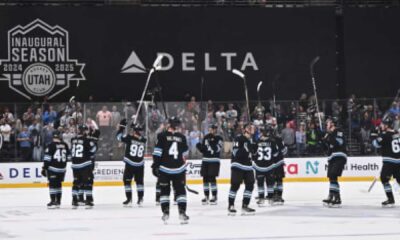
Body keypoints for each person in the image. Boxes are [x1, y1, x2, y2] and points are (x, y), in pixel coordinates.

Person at [151, 117, 189, 224]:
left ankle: (165, 212)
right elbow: (185, 151)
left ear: (169, 124)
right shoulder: (182, 137)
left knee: (165, 192)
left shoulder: (162, 136)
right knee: (181, 191)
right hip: (179, 169)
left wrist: (155, 165)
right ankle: (182, 212)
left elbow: (157, 152)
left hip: (165, 169)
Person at [116, 119, 146, 207]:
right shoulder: (143, 140)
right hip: (140, 164)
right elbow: (137, 137)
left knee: (127, 181)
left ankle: (129, 199)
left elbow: (119, 137)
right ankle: (140, 198)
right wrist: (133, 128)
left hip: (130, 164)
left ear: (134, 131)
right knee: (139, 182)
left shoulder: (129, 137)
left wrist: (122, 127)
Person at [228, 123, 256, 216]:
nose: (252, 129)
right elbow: (236, 152)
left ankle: (245, 205)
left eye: (252, 127)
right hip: (238, 165)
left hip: (248, 166)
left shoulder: (252, 140)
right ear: (245, 130)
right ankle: (231, 205)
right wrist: (245, 148)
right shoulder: (239, 138)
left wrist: (253, 146)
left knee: (250, 185)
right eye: (249, 127)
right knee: (235, 185)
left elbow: (254, 153)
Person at [372, 117, 400, 207]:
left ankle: (390, 199)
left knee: (384, 179)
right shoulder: (397, 134)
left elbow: (375, 144)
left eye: (383, 124)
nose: (381, 125)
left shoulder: (384, 135)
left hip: (389, 161)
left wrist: (376, 134)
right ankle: (390, 199)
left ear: (387, 126)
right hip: (398, 161)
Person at [41, 131, 71, 209]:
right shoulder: (65, 145)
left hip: (53, 169)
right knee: (58, 185)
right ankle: (58, 201)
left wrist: (44, 168)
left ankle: (53, 200)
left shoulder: (50, 145)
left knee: (52, 185)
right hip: (62, 169)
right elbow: (68, 156)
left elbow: (47, 159)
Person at [322, 117, 347, 207]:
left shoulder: (339, 131)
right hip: (332, 157)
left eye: (328, 123)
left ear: (333, 124)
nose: (327, 124)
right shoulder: (330, 133)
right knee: (331, 177)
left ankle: (337, 197)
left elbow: (338, 143)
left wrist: (330, 135)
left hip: (339, 156)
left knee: (333, 175)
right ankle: (331, 196)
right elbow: (325, 147)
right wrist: (324, 140)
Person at [71, 125, 97, 209]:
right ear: (84, 131)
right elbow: (93, 150)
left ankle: (74, 200)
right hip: (84, 164)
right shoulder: (87, 140)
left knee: (76, 183)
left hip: (75, 165)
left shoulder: (73, 140)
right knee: (88, 182)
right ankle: (88, 200)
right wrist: (94, 142)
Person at [196, 124, 223, 205]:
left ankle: (214, 196)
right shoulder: (206, 137)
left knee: (212, 178)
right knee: (205, 179)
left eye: (213, 129)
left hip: (214, 160)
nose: (211, 130)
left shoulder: (219, 138)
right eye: (210, 129)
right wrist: (199, 146)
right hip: (205, 160)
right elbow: (203, 150)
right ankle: (206, 196)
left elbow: (217, 149)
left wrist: (212, 142)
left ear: (215, 130)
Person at [253, 125, 279, 206]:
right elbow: (276, 154)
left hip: (259, 166)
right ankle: (271, 199)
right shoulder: (272, 142)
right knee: (270, 184)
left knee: (260, 184)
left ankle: (261, 199)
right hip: (269, 166)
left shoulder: (257, 142)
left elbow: (253, 154)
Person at [271, 127, 287, 205]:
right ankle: (279, 196)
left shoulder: (268, 140)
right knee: (279, 180)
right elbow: (284, 151)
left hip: (271, 164)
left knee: (273, 180)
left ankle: (274, 195)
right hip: (279, 162)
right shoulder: (279, 139)